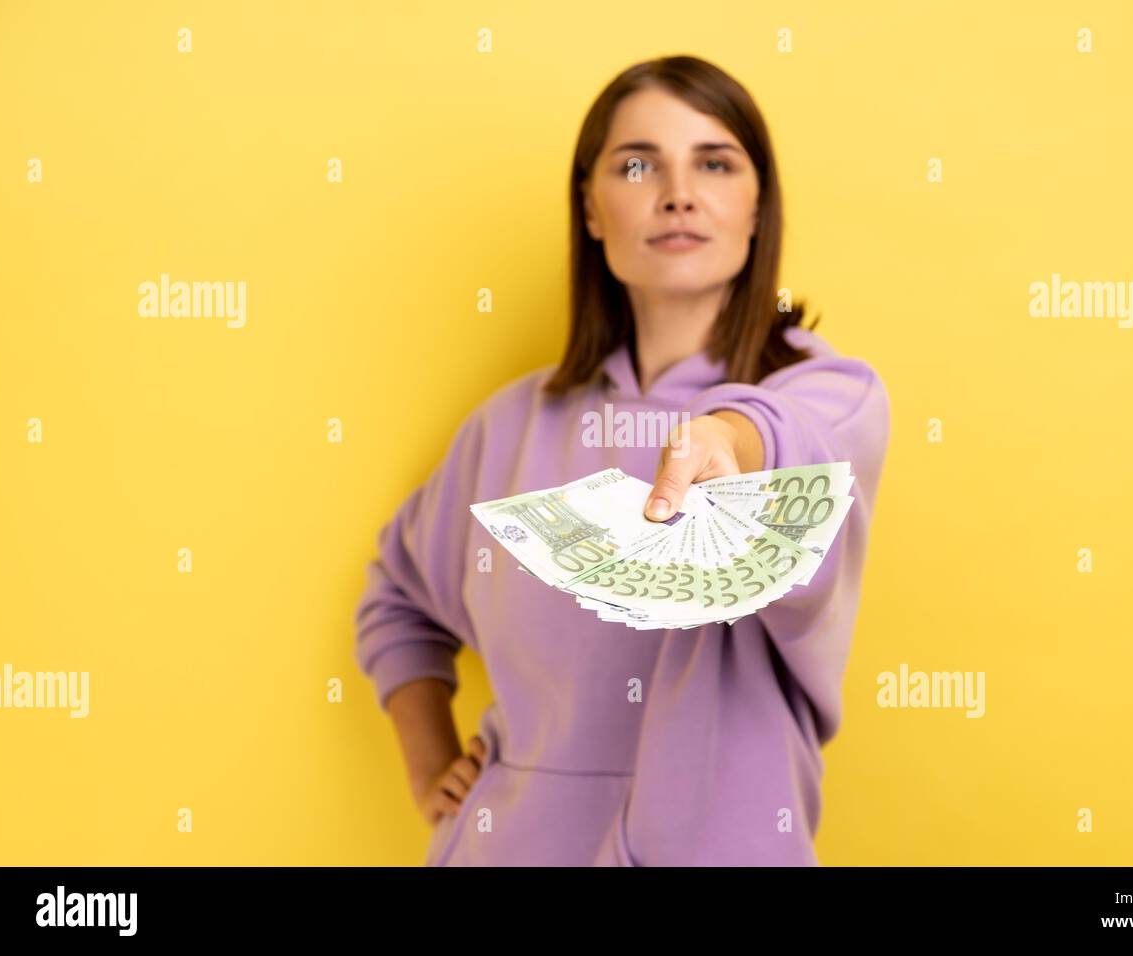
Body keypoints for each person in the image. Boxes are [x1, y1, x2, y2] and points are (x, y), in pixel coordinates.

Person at [353, 54, 890, 866]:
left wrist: (723, 438)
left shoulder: (828, 397)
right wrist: (431, 764)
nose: (678, 190)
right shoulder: (509, 427)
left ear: (757, 209)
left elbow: (796, 447)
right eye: (638, 164)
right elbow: (398, 593)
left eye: (715, 162)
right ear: (592, 211)